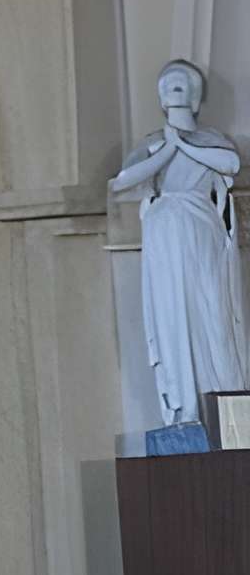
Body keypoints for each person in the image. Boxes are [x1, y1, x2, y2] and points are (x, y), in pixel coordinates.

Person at [113, 60, 250, 431]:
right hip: (164, 240)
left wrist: (183, 145)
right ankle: (184, 409)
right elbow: (121, 182)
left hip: (199, 233)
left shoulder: (210, 141)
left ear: (195, 95)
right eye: (168, 82)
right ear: (160, 96)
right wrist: (167, 149)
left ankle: (220, 399)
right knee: (173, 315)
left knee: (211, 312)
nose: (175, 86)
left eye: (182, 81)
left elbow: (231, 163)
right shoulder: (151, 145)